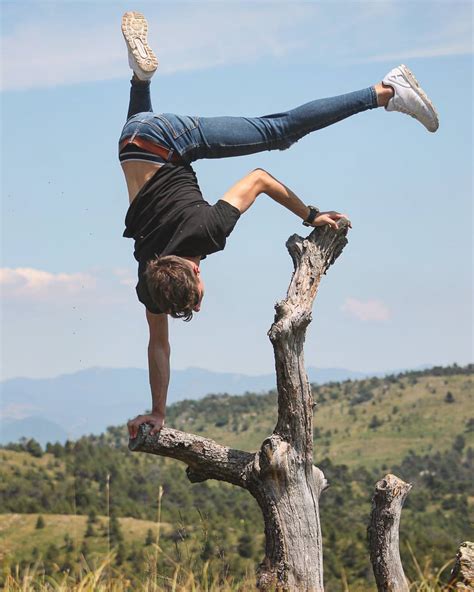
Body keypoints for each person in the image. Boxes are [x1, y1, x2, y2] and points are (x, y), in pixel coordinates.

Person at [121, 11, 439, 439]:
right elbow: (158, 344)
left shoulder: (208, 232)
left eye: (196, 299)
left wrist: (309, 214)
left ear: (195, 270)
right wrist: (158, 411)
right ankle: (140, 80)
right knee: (155, 135)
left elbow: (260, 178)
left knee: (279, 132)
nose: (199, 302)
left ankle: (385, 91)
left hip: (166, 139)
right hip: (130, 139)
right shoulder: (150, 280)